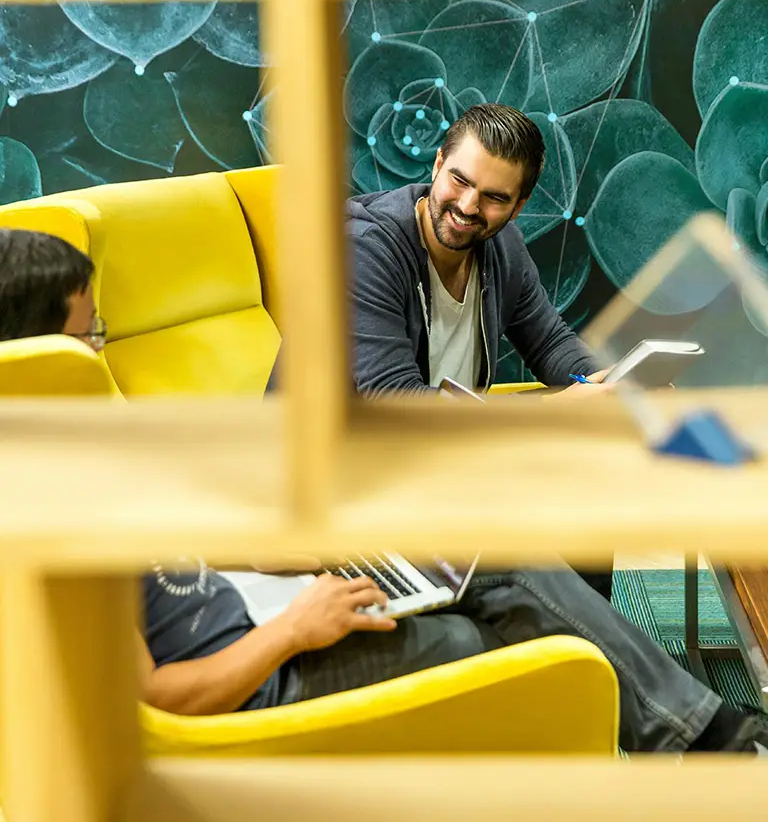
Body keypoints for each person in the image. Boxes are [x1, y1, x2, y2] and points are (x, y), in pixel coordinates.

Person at [1, 227, 767, 755]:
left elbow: (172, 557)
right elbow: (158, 702)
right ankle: (700, 738)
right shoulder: (44, 506)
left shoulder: (75, 450)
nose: (99, 352)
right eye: (87, 336)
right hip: (259, 679)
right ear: (32, 353)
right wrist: (296, 630)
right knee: (485, 618)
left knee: (479, 565)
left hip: (269, 613)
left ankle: (688, 733)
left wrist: (295, 558)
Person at [348, 103, 612, 600]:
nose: (469, 206)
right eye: (459, 180)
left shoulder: (501, 247)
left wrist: (605, 384)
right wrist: (552, 412)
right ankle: (572, 647)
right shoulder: (364, 251)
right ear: (436, 164)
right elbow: (395, 404)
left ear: (519, 204)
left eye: (494, 197)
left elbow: (552, 343)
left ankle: (579, 658)